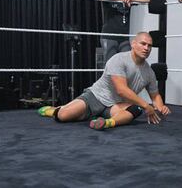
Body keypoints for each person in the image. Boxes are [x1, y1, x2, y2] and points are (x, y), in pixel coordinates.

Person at [38, 32, 171, 130]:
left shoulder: (149, 72)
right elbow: (121, 90)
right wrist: (146, 105)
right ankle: (54, 110)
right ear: (133, 44)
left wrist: (160, 107)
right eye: (143, 44)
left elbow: (155, 95)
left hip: (116, 105)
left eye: (149, 46)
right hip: (96, 97)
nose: (146, 48)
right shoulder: (118, 59)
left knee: (135, 110)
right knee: (64, 115)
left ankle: (106, 123)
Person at [100, 0, 150, 65]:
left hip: (123, 38)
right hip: (109, 36)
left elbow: (147, 0)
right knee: (111, 65)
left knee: (128, 63)